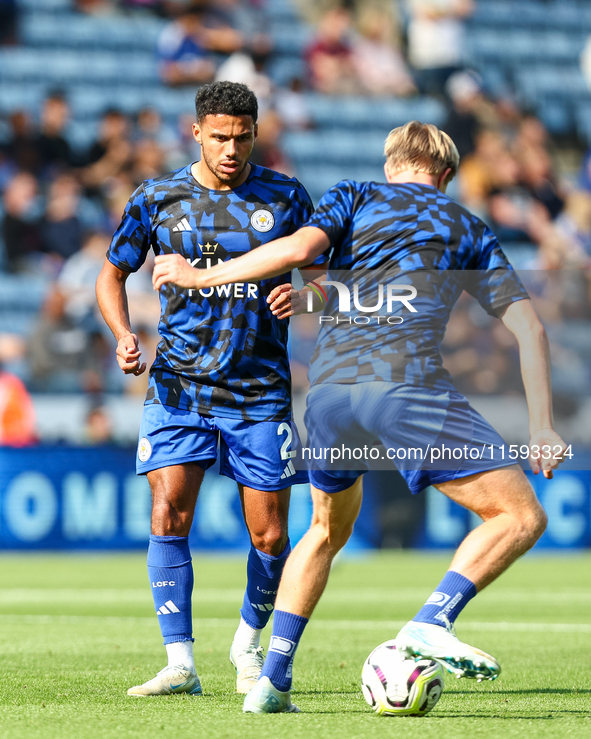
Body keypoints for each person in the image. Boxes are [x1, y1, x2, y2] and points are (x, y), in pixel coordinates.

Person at [152, 121, 568, 713]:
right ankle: (432, 620)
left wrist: (206, 275)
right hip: (404, 386)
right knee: (519, 514)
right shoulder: (464, 224)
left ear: (391, 162)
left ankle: (272, 681)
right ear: (445, 174)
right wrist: (543, 427)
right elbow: (529, 328)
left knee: (325, 531)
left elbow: (305, 258)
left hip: (328, 396)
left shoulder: (353, 194)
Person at [96, 81, 325, 698]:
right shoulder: (157, 197)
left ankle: (247, 643)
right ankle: (180, 662)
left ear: (257, 133)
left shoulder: (285, 196)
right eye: (219, 137)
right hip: (178, 386)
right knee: (169, 514)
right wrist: (122, 332)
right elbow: (111, 275)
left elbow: (327, 278)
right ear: (195, 131)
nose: (231, 148)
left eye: (243, 137)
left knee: (271, 535)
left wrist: (306, 296)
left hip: (259, 389)